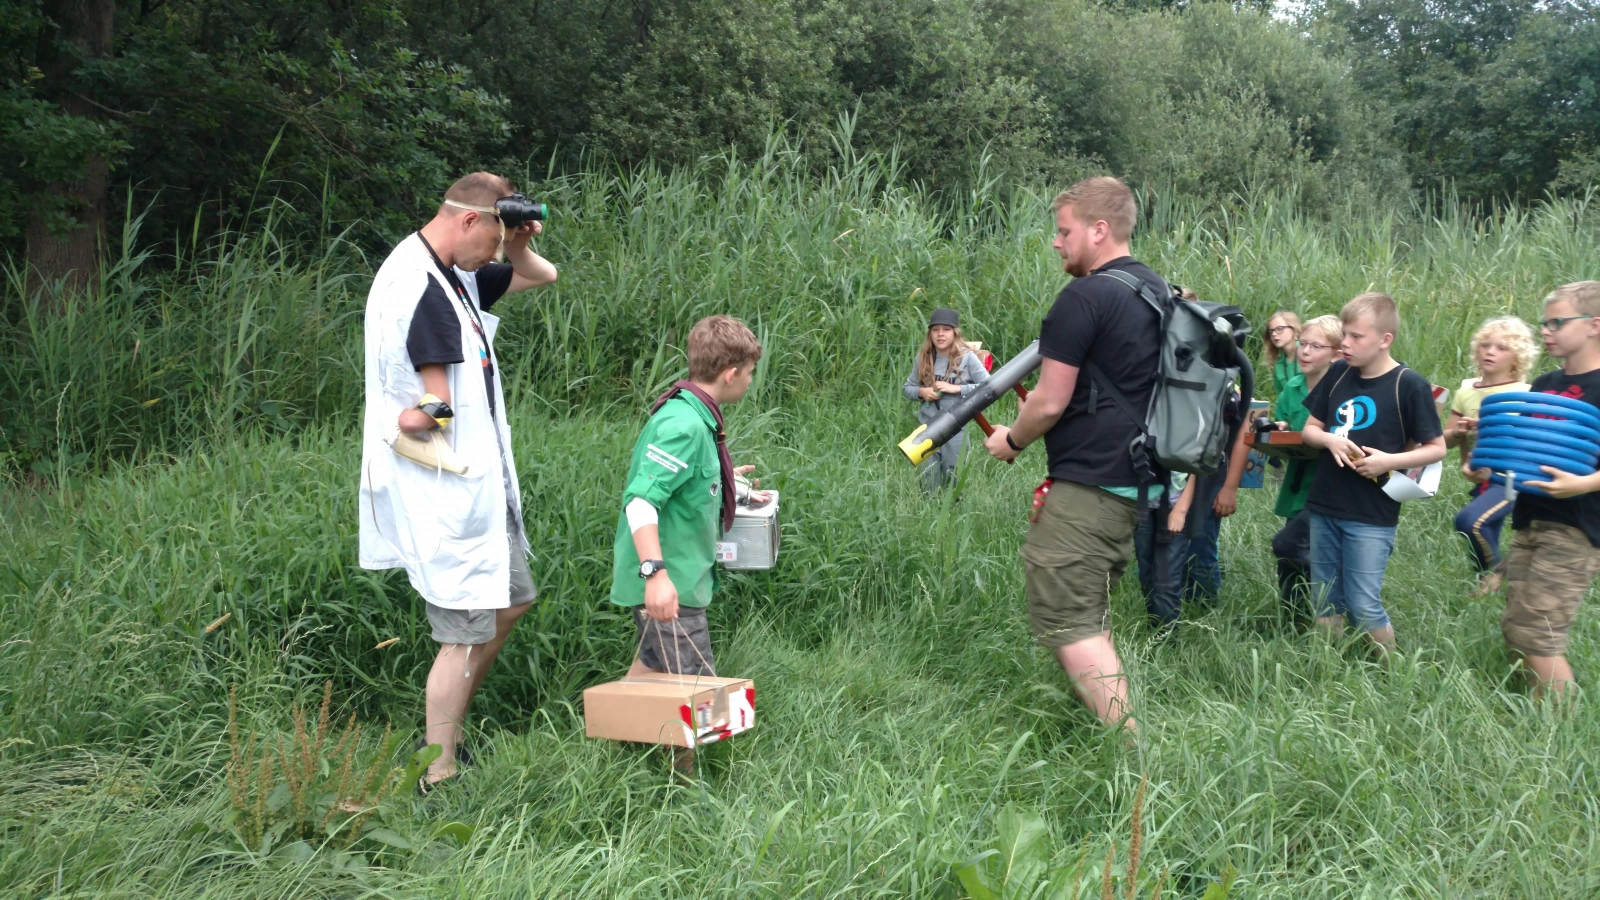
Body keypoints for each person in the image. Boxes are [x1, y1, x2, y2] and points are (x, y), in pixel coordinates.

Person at [358, 171, 559, 793]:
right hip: (448, 486)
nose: (497, 259)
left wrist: (519, 240)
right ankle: (437, 769)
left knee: (512, 598)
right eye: (495, 242)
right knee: (463, 631)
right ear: (469, 221)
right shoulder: (428, 293)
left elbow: (538, 275)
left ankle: (447, 730)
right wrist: (410, 416)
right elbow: (435, 408)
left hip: (472, 480)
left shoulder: (446, 270)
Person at [983, 176, 1163, 731]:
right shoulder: (1155, 291)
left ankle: (1134, 754)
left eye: (1064, 231)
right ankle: (1101, 728)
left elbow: (1048, 402)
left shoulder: (1085, 297)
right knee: (1089, 609)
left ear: (1099, 230)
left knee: (1068, 616)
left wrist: (1009, 440)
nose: (1057, 243)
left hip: (1091, 485)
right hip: (1140, 480)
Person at [610, 315, 765, 766]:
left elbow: (680, 481)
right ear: (730, 374)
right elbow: (641, 501)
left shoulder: (693, 412)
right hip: (670, 580)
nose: (750, 381)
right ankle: (686, 787)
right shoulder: (684, 425)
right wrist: (655, 576)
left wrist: (721, 478)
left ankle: (614, 740)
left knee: (653, 667)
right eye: (750, 373)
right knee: (697, 689)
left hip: (680, 577)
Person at [1300, 292, 1447, 655]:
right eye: (1344, 335)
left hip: (1372, 513)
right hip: (1325, 504)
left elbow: (1437, 447)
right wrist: (1330, 440)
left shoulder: (1408, 384)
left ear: (1385, 340)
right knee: (1324, 600)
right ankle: (1325, 673)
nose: (1345, 344)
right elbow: (1310, 430)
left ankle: (1395, 676)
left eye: (1355, 337)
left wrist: (1387, 462)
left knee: (1364, 605)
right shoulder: (1337, 373)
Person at [1478, 282, 1600, 699]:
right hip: (1532, 518)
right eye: (1545, 322)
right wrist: (1489, 458)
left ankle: (1560, 730)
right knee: (1517, 626)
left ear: (1594, 325)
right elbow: (1527, 447)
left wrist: (1582, 484)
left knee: (1539, 634)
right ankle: (1539, 710)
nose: (1547, 330)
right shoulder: (1546, 382)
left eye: (1557, 322)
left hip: (1577, 526)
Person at [1446, 317, 1537, 596]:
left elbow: (1533, 441)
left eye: (1501, 348)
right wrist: (1460, 432)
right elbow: (1445, 440)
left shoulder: (1527, 394)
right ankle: (1487, 591)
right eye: (1485, 345)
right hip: (1481, 476)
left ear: (1516, 358)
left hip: (1512, 478)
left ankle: (1495, 572)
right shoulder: (1466, 391)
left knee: (1469, 521)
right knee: (1484, 531)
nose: (1490, 352)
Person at [1269, 315, 1341, 626]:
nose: (1305, 352)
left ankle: (1328, 615)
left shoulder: (1342, 390)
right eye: (1303, 344)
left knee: (1308, 551)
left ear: (1337, 353)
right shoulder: (1292, 388)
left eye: (1315, 346)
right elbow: (1283, 427)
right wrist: (1280, 431)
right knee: (1290, 557)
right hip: (1296, 485)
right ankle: (1293, 621)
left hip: (1326, 486)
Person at [902, 308, 990, 489]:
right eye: (935, 329)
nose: (940, 334)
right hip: (926, 428)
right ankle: (929, 513)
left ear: (955, 333)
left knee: (954, 480)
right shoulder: (923, 358)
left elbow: (988, 386)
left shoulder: (967, 358)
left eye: (946, 329)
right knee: (927, 481)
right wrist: (922, 392)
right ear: (930, 333)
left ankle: (952, 513)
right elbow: (907, 389)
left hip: (956, 428)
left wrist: (957, 388)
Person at [1133, 472, 1197, 628]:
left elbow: (1201, 463)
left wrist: (1181, 510)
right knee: (1146, 575)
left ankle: (1167, 642)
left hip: (1175, 505)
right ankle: (1153, 633)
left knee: (1166, 581)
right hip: (1140, 504)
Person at [1262, 310, 1303, 396]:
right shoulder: (1278, 364)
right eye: (1271, 331)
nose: (1274, 334)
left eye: (1279, 329)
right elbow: (1281, 397)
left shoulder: (1307, 353)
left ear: (1294, 329)